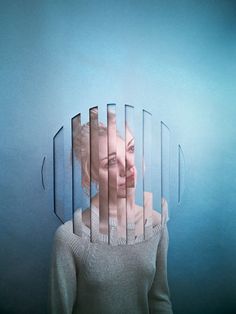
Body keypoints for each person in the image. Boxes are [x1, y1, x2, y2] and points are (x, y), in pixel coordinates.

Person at [49, 108, 173, 314]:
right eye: (112, 162)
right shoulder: (69, 237)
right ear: (92, 175)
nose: (128, 167)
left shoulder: (155, 224)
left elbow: (159, 301)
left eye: (130, 150)